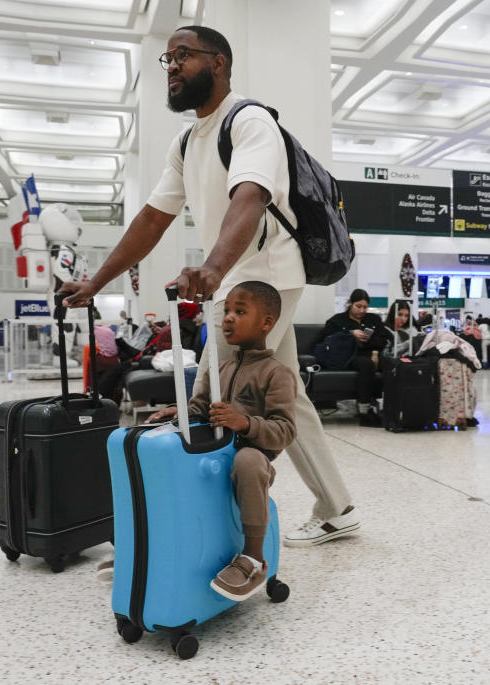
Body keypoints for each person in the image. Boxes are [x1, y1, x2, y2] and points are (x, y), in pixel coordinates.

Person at [59, 25, 358, 547]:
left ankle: (201, 528)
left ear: (218, 64)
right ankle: (337, 508)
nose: (172, 67)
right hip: (235, 278)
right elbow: (153, 218)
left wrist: (216, 269)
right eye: (167, 60)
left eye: (183, 56)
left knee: (211, 389)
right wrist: (97, 283)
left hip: (264, 277)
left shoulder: (249, 121)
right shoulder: (187, 140)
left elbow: (251, 197)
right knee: (287, 393)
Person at [146, 282, 296, 600]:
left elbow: (285, 430)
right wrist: (179, 413)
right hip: (214, 454)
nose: (228, 318)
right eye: (226, 311)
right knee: (166, 453)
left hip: (252, 460)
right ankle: (150, 547)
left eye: (240, 312)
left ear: (267, 323)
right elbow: (201, 408)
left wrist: (244, 423)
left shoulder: (276, 373)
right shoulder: (222, 368)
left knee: (248, 459)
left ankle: (254, 557)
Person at [317, 289, 390, 426]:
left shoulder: (373, 319)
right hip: (348, 356)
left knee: (391, 364)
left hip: (372, 354)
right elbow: (325, 337)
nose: (362, 310)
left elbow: (383, 339)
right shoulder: (338, 320)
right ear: (350, 304)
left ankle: (393, 407)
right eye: (358, 306)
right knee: (366, 365)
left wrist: (374, 350)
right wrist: (350, 333)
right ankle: (364, 410)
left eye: (365, 307)